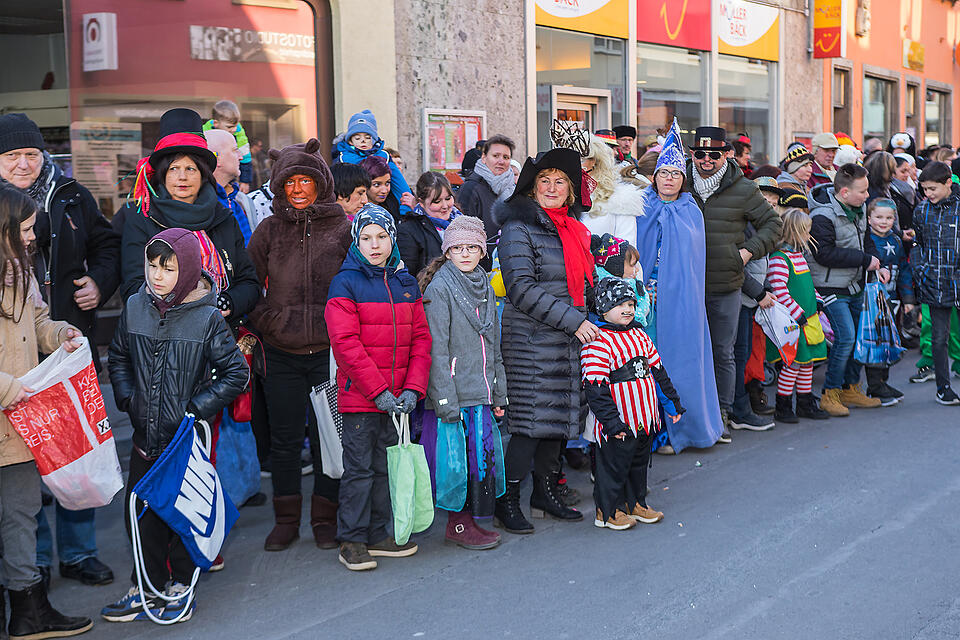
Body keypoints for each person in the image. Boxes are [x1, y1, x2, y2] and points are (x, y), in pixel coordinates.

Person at [0, 113, 119, 589]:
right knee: (22, 472)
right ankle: (34, 565)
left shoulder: (71, 194)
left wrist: (98, 281)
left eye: (31, 153)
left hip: (57, 347)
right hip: (11, 364)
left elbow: (108, 244)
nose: (24, 163)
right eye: (12, 155)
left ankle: (79, 553)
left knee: (72, 452)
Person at [104, 228, 247, 623]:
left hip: (184, 440)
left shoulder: (206, 318)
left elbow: (236, 374)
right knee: (142, 512)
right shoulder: (135, 305)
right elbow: (117, 356)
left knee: (183, 514)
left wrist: (195, 409)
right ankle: (145, 585)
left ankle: (181, 584)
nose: (157, 275)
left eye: (168, 268)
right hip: (144, 436)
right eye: (152, 265)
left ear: (186, 270)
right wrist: (128, 400)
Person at [247, 139, 352, 552]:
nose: (297, 189)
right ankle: (286, 521)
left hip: (330, 353)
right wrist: (267, 319)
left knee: (328, 436)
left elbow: (361, 282)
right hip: (281, 352)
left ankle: (325, 518)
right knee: (286, 441)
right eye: (289, 182)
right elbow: (247, 283)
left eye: (305, 180)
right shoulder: (269, 229)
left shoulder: (342, 227)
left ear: (320, 183)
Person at [0, 186, 93, 639]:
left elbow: (37, 322)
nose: (34, 235)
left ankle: (28, 612)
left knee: (21, 512)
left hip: (18, 423)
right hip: (11, 402)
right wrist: (8, 388)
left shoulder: (23, 271)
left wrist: (61, 334)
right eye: (25, 228)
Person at [491, 147, 594, 533]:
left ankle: (545, 493)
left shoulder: (572, 228)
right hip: (531, 341)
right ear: (532, 189)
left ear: (570, 190)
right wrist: (575, 322)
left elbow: (584, 283)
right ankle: (508, 500)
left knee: (557, 420)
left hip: (567, 339)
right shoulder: (518, 229)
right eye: (544, 181)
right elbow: (522, 289)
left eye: (560, 182)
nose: (552, 188)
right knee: (528, 426)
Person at [325, 204, 432, 571]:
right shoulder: (345, 282)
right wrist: (378, 391)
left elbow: (421, 338)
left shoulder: (404, 283)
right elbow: (346, 344)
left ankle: (377, 532)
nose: (375, 245)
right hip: (362, 397)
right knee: (360, 469)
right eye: (367, 238)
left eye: (382, 237)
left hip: (399, 399)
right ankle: (351, 539)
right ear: (357, 241)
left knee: (386, 465)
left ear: (392, 240)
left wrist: (413, 388)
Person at [118, 108, 259, 328]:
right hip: (162, 343)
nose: (182, 177)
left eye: (190, 168)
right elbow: (133, 287)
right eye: (174, 168)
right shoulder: (143, 218)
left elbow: (249, 282)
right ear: (163, 174)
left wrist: (228, 303)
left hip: (220, 339)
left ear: (203, 173)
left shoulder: (223, 218)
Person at [686, 125, 782, 440]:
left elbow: (773, 224)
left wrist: (746, 252)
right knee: (687, 350)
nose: (706, 160)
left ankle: (723, 414)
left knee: (721, 352)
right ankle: (688, 415)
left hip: (724, 284)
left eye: (714, 154)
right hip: (684, 286)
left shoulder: (743, 188)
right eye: (700, 153)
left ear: (726, 154)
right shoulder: (679, 182)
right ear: (692, 154)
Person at [417, 215, 506, 550]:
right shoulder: (441, 289)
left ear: (482, 251)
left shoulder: (483, 282)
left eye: (472, 247)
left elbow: (493, 344)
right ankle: (457, 524)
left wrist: (499, 391)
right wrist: (444, 399)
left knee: (477, 461)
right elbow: (436, 348)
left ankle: (471, 519)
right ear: (448, 251)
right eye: (458, 248)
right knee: (454, 464)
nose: (465, 253)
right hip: (454, 394)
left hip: (480, 391)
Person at [635, 122, 724, 453]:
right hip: (647, 301)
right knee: (646, 366)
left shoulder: (691, 212)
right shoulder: (641, 207)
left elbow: (693, 264)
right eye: (663, 173)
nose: (669, 179)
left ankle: (683, 430)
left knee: (680, 363)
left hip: (681, 301)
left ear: (683, 178)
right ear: (655, 177)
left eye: (675, 173)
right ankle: (651, 431)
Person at [582, 277, 683, 530]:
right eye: (619, 304)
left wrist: (673, 402)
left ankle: (635, 503)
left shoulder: (640, 334)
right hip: (617, 419)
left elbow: (658, 370)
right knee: (613, 467)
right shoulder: (597, 340)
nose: (627, 309)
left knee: (638, 464)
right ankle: (607, 511)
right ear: (603, 308)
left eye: (630, 303)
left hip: (644, 417)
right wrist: (612, 423)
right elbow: (595, 387)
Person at [809, 163, 888, 416]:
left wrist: (877, 264)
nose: (867, 196)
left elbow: (867, 242)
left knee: (856, 340)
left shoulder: (860, 208)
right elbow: (824, 254)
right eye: (863, 191)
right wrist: (865, 261)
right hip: (829, 285)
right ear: (844, 193)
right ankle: (829, 393)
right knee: (845, 338)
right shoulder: (822, 216)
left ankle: (850, 387)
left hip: (855, 284)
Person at [766, 209, 830, 423]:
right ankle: (783, 404)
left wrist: (818, 299)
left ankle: (804, 402)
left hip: (809, 320)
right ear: (794, 232)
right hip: (795, 323)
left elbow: (808, 285)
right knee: (792, 364)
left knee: (807, 362)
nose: (808, 236)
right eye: (806, 231)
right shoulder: (780, 259)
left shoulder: (798, 256)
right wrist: (797, 313)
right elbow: (779, 289)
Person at [910, 161, 960, 404]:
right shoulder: (921, 211)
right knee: (939, 339)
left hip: (957, 281)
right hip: (935, 283)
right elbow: (918, 244)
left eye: (932, 189)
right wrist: (921, 270)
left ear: (948, 183)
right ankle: (943, 388)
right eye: (924, 189)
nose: (928, 194)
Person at [863, 198, 913, 404]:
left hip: (892, 299)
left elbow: (904, 270)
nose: (884, 222)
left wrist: (908, 298)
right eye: (879, 217)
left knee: (889, 342)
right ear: (869, 218)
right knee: (876, 342)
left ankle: (883, 382)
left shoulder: (896, 240)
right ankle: (875, 386)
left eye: (889, 218)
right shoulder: (866, 240)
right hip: (872, 300)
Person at [334, 110, 414, 215]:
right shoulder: (343, 159)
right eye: (357, 138)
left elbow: (401, 186)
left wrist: (406, 211)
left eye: (367, 138)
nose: (363, 141)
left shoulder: (384, 156)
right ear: (350, 141)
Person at [457, 135, 516, 264]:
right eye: (496, 156)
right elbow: (463, 235)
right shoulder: (470, 189)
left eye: (506, 157)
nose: (501, 161)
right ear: (484, 158)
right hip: (483, 265)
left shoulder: (512, 189)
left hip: (509, 263)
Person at [579, 134, 646, 244]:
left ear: (595, 161)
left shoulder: (620, 198)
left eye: (582, 159)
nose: (576, 165)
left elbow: (626, 249)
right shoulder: (556, 197)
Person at [397, 172, 460, 277]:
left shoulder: (463, 221)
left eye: (448, 198)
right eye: (437, 201)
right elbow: (407, 276)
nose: (445, 206)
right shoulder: (408, 231)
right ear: (421, 202)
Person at [205, 128, 256, 244]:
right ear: (216, 159)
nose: (241, 157)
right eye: (235, 150)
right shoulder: (203, 206)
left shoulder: (238, 200)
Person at [590, 234, 650, 326]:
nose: (637, 269)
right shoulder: (604, 289)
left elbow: (643, 300)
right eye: (633, 265)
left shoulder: (635, 284)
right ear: (617, 268)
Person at [202, 100, 253, 192]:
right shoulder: (204, 132)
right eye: (229, 127)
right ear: (216, 123)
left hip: (228, 176)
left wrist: (245, 181)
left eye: (236, 126)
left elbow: (245, 158)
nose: (234, 130)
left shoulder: (239, 134)